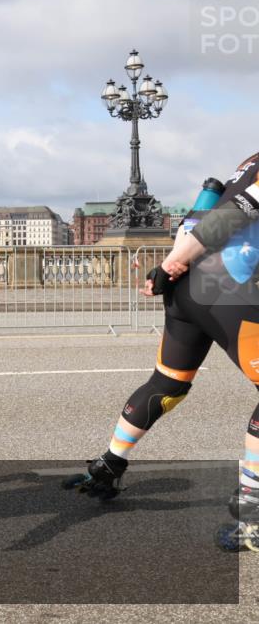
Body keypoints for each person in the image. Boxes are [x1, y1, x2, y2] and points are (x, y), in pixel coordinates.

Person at [65, 152, 259, 532]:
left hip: (188, 286)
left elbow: (207, 204)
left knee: (167, 383)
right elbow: (238, 211)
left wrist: (171, 265)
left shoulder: (250, 160)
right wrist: (173, 263)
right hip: (228, 286)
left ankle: (108, 465)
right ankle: (252, 513)